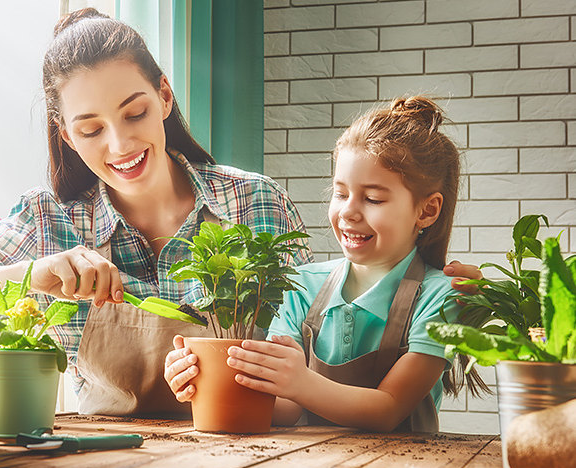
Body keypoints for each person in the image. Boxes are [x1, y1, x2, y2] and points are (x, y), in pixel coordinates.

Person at [0, 8, 312, 416]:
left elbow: (318, 360)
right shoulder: (48, 221)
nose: (120, 145)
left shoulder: (256, 203)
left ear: (164, 96)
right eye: (91, 130)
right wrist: (32, 274)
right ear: (68, 136)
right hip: (109, 464)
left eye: (135, 114)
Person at [165, 97, 487, 432]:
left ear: (427, 211)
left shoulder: (442, 297)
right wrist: (201, 378)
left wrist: (301, 382)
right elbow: (285, 409)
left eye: (373, 198)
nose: (348, 211)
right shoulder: (301, 285)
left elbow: (389, 409)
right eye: (340, 193)